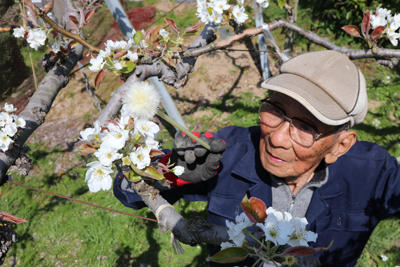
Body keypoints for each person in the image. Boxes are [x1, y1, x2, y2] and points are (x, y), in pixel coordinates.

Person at [113, 50, 400, 266]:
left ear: (341, 145)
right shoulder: (231, 149)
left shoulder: (373, 173)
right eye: (275, 109)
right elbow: (129, 190)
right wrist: (171, 171)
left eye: (306, 127)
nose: (276, 137)